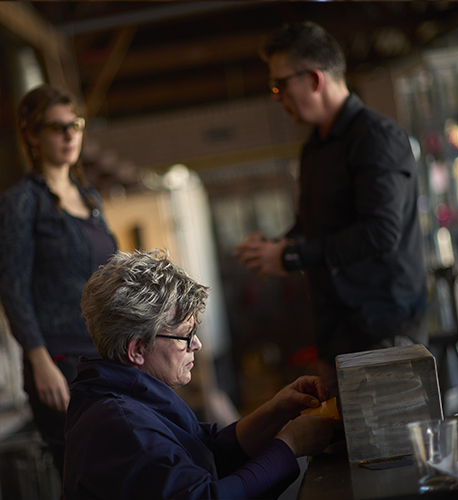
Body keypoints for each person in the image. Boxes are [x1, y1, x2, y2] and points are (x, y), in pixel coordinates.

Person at [63, 249, 337, 500]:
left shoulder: (130, 397)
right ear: (136, 349)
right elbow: (205, 496)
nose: (197, 344)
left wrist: (277, 411)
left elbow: (207, 452)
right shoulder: (122, 426)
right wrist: (290, 445)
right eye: (185, 336)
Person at [235, 22, 427, 371]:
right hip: (337, 327)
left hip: (382, 329)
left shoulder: (375, 137)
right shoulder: (315, 146)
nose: (276, 97)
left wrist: (291, 257)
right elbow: (319, 224)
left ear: (314, 79)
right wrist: (276, 247)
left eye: (279, 85)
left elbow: (380, 232)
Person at [0, 84, 117, 477]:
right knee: (86, 472)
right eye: (56, 127)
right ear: (31, 135)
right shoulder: (22, 201)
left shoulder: (91, 200)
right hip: (61, 362)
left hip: (108, 355)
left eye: (76, 125)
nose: (69, 135)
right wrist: (39, 359)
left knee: (125, 466)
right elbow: (12, 287)